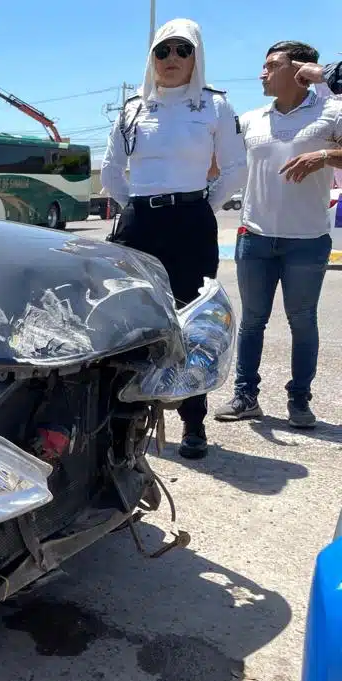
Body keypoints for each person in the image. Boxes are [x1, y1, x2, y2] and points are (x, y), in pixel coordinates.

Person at [100, 18, 247, 460]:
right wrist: (138, 208)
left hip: (191, 222)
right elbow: (110, 171)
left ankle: (194, 422)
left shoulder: (214, 106)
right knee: (130, 321)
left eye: (181, 50)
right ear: (152, 58)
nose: (171, 60)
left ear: (195, 56)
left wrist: (201, 205)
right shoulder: (133, 108)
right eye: (162, 52)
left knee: (192, 322)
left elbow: (235, 168)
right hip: (141, 223)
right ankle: (121, 421)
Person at [214, 42, 342, 429]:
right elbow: (222, 162)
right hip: (254, 237)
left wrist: (323, 155)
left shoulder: (332, 111)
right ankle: (245, 396)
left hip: (306, 240)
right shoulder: (252, 119)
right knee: (252, 321)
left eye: (271, 65)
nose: (262, 73)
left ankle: (299, 400)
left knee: (302, 322)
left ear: (301, 70)